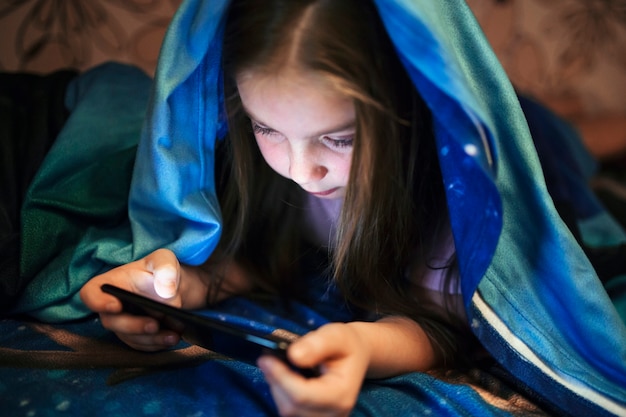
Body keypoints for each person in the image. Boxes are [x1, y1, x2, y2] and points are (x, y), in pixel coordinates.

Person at [78, 0, 626, 416]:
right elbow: (258, 260)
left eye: (339, 139)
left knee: (566, 147)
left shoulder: (460, 188)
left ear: (407, 112)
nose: (299, 169)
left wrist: (364, 345)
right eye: (266, 127)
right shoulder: (253, 154)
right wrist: (174, 288)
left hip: (538, 150)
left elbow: (445, 323)